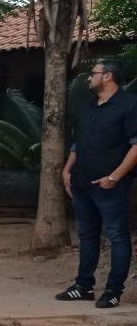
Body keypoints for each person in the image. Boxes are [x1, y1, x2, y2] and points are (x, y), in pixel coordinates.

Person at [56, 58, 137, 308]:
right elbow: (78, 142)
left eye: (94, 73)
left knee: (117, 236)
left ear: (108, 76)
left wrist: (114, 178)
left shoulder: (129, 105)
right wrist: (67, 170)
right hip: (82, 183)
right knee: (87, 235)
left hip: (110, 187)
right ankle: (83, 286)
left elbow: (136, 145)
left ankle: (113, 290)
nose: (90, 77)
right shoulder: (88, 107)